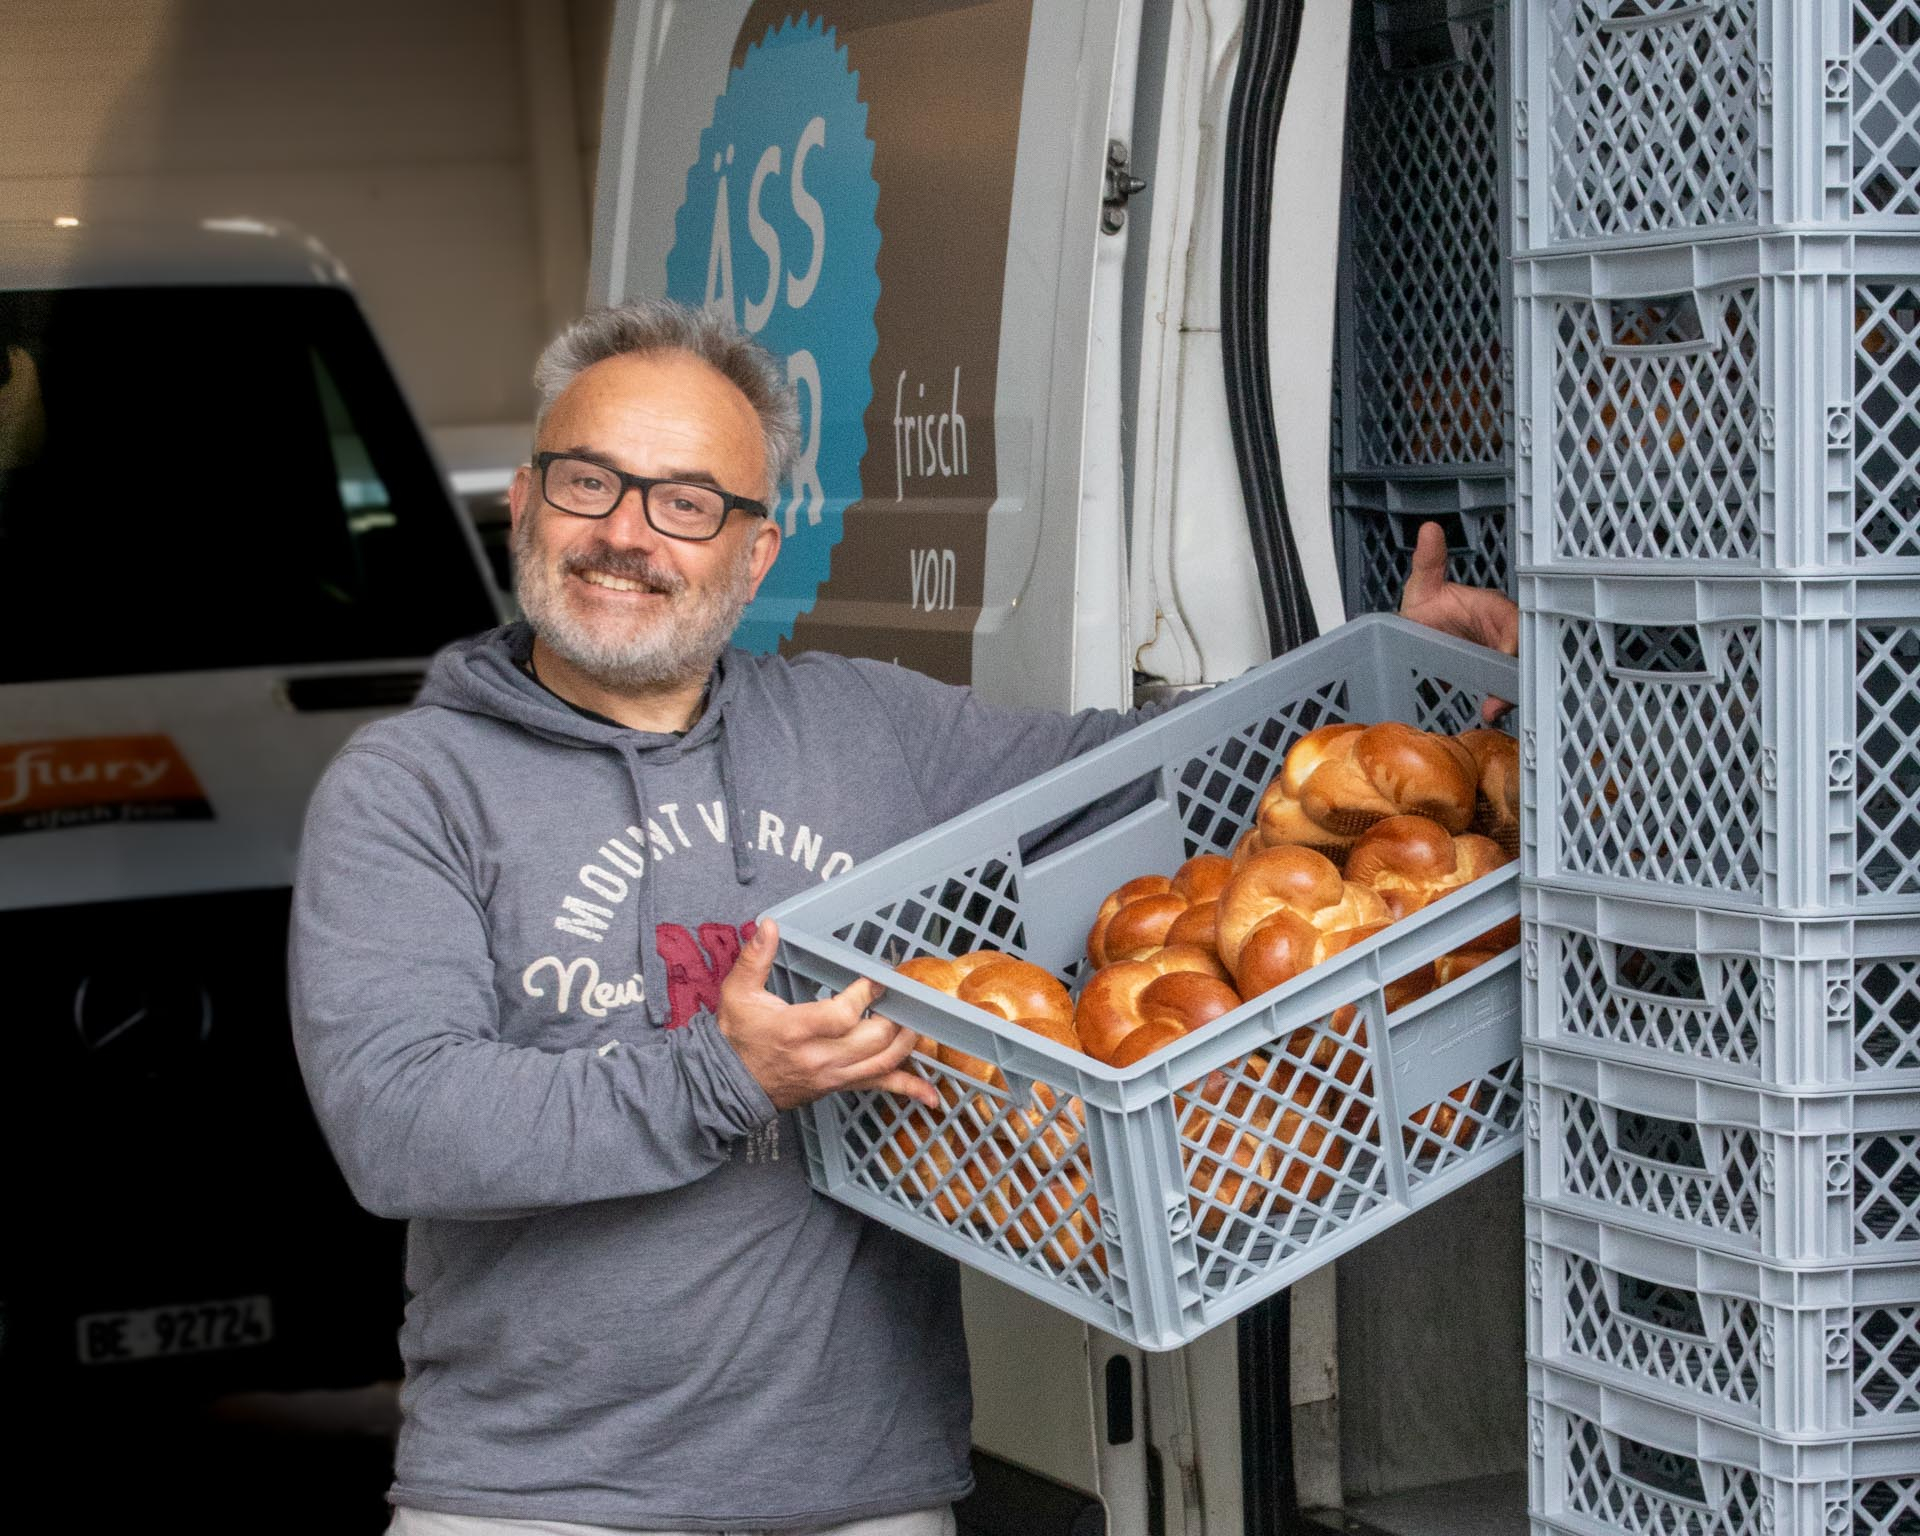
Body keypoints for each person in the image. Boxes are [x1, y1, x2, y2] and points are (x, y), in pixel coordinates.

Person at [289, 299, 1518, 1536]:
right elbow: (400, 1125)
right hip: (536, 1504)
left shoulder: (863, 730)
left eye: (687, 501)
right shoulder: (410, 790)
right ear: (524, 499)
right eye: (589, 482)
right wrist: (726, 1078)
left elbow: (1150, 770)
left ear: (754, 553)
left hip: (864, 1496)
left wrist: (1385, 682)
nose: (626, 534)